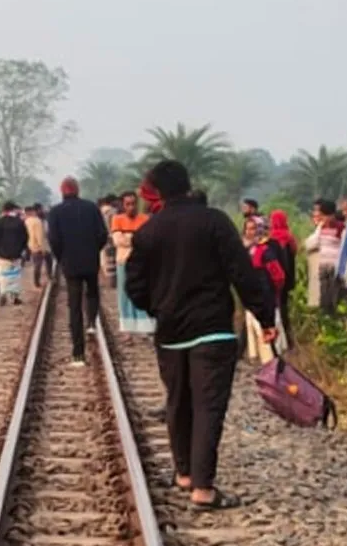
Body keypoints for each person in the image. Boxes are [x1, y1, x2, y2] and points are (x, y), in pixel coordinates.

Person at [126, 160, 276, 511]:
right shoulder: (215, 222)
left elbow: (134, 283)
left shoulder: (150, 230)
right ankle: (203, 488)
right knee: (208, 406)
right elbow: (243, 273)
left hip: (172, 331)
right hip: (212, 330)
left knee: (177, 401)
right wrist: (265, 316)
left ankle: (183, 473)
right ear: (188, 184)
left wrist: (157, 307)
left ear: (158, 191)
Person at [47, 176, 108, 366]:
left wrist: (61, 257)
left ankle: (78, 354)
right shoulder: (91, 208)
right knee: (92, 291)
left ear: (62, 191)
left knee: (74, 306)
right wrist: (93, 250)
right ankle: (91, 322)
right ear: (77, 190)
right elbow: (102, 235)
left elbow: (54, 239)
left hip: (70, 263)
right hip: (90, 260)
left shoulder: (55, 212)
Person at [243, 216, 287, 364]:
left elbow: (278, 276)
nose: (250, 232)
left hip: (265, 298)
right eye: (248, 229)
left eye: (254, 228)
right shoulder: (247, 249)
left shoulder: (266, 251)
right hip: (251, 298)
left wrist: (272, 292)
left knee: (267, 333)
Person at [110, 192, 153, 333]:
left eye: (133, 203)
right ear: (123, 205)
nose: (131, 207)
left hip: (141, 262)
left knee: (142, 292)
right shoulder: (117, 219)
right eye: (128, 204)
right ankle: (128, 326)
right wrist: (136, 239)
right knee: (124, 294)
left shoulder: (145, 219)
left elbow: (147, 241)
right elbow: (117, 241)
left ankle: (143, 325)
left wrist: (128, 237)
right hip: (123, 261)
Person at [267, 210, 298, 347]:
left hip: (277, 279)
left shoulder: (274, 239)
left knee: (277, 309)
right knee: (284, 307)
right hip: (289, 279)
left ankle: (280, 340)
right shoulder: (289, 238)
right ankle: (288, 339)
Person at [0, 201, 28, 305]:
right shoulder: (19, 222)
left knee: (3, 275)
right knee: (15, 276)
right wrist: (21, 250)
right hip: (16, 254)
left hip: (3, 255)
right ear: (13, 209)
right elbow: (25, 238)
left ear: (3, 210)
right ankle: (15, 297)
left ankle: (3, 293)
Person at [25, 204, 48, 288]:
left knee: (35, 264)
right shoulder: (37, 221)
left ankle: (36, 281)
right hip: (37, 247)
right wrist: (43, 248)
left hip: (30, 245)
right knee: (38, 265)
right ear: (34, 211)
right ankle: (36, 282)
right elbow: (40, 236)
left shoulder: (26, 221)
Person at [99, 195, 119, 287]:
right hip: (112, 236)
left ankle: (108, 280)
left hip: (103, 237)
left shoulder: (98, 211)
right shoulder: (113, 211)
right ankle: (113, 282)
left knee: (105, 260)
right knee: (113, 260)